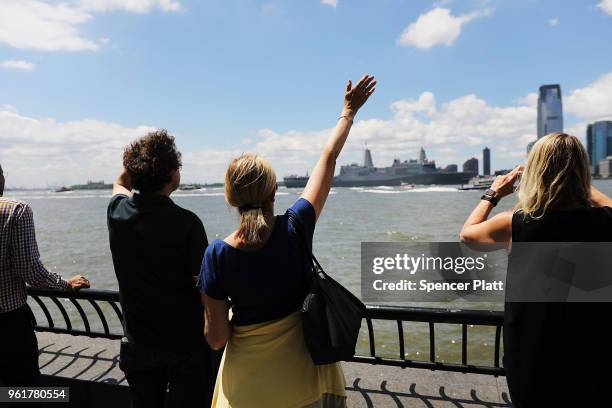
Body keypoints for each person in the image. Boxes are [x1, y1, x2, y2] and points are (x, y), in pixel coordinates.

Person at [199, 74, 376, 407]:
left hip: (246, 391)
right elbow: (328, 158)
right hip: (306, 382)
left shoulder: (217, 254)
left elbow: (216, 339)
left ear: (231, 198)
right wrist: (348, 111)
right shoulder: (295, 226)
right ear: (274, 191)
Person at [460, 132, 612, 407]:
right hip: (594, 355)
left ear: (535, 171)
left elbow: (467, 235)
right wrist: (574, 179)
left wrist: (493, 193)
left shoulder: (515, 224)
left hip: (533, 356)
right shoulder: (605, 221)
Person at [107, 130, 216, 408]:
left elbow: (120, 182)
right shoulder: (188, 223)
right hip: (185, 346)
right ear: (171, 174)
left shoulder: (118, 213)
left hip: (138, 344)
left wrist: (139, 164)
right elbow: (203, 286)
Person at [0, 163, 90, 389]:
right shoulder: (15, 210)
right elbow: (30, 271)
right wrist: (66, 284)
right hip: (8, 324)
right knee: (25, 390)